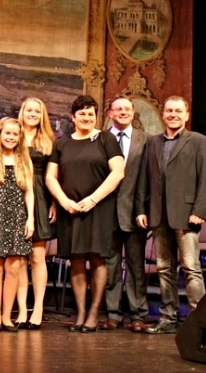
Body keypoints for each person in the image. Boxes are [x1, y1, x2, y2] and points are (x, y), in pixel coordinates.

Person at [135, 95, 206, 334]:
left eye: (178, 111)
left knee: (191, 268)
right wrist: (141, 209)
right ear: (163, 114)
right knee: (163, 268)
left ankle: (199, 320)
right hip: (158, 214)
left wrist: (200, 210)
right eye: (169, 111)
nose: (173, 115)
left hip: (187, 214)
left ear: (186, 115)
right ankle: (168, 318)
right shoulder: (152, 142)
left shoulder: (199, 141)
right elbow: (144, 178)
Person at [46, 95, 124, 333]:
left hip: (99, 208)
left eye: (91, 114)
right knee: (76, 259)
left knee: (98, 259)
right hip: (71, 209)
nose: (87, 117)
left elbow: (118, 173)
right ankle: (80, 313)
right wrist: (64, 201)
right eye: (82, 114)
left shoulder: (106, 139)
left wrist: (93, 199)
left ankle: (93, 314)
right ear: (73, 117)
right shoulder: (62, 144)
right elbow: (50, 177)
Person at [102, 92, 150, 332]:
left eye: (127, 109)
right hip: (106, 212)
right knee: (110, 266)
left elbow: (149, 179)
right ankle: (113, 314)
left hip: (134, 213)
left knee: (136, 266)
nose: (123, 112)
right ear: (110, 113)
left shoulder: (146, 140)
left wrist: (145, 209)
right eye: (118, 109)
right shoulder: (100, 139)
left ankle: (138, 315)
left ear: (133, 113)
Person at [0, 118, 34, 332]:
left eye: (15, 134)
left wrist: (30, 219)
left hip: (18, 218)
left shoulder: (24, 160)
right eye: (7, 133)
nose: (11, 137)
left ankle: (6, 316)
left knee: (13, 268)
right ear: (0, 134)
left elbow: (29, 192)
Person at [14, 97, 56, 329]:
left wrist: (54, 203)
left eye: (37, 111)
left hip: (40, 196)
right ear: (22, 112)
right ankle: (21, 309)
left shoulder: (48, 140)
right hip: (15, 195)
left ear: (42, 115)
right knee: (20, 258)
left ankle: (38, 308)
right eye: (29, 110)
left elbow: (54, 175)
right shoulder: (14, 134)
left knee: (38, 257)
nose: (32, 114)